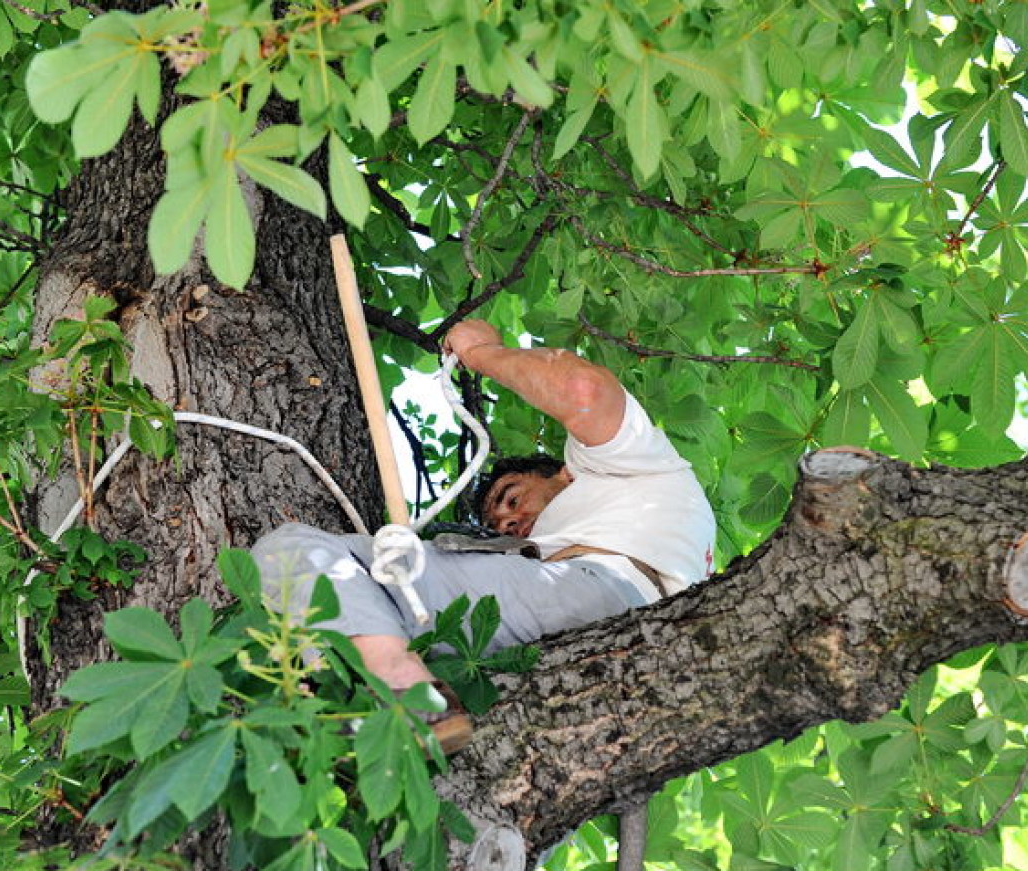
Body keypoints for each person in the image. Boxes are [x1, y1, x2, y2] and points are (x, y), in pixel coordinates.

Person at [251, 318, 716, 753]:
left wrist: (483, 352)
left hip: (597, 590)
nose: (509, 524)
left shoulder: (627, 466)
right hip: (618, 653)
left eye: (512, 500)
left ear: (563, 474)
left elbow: (584, 391)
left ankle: (398, 688)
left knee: (291, 550)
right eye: (500, 527)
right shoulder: (658, 542)